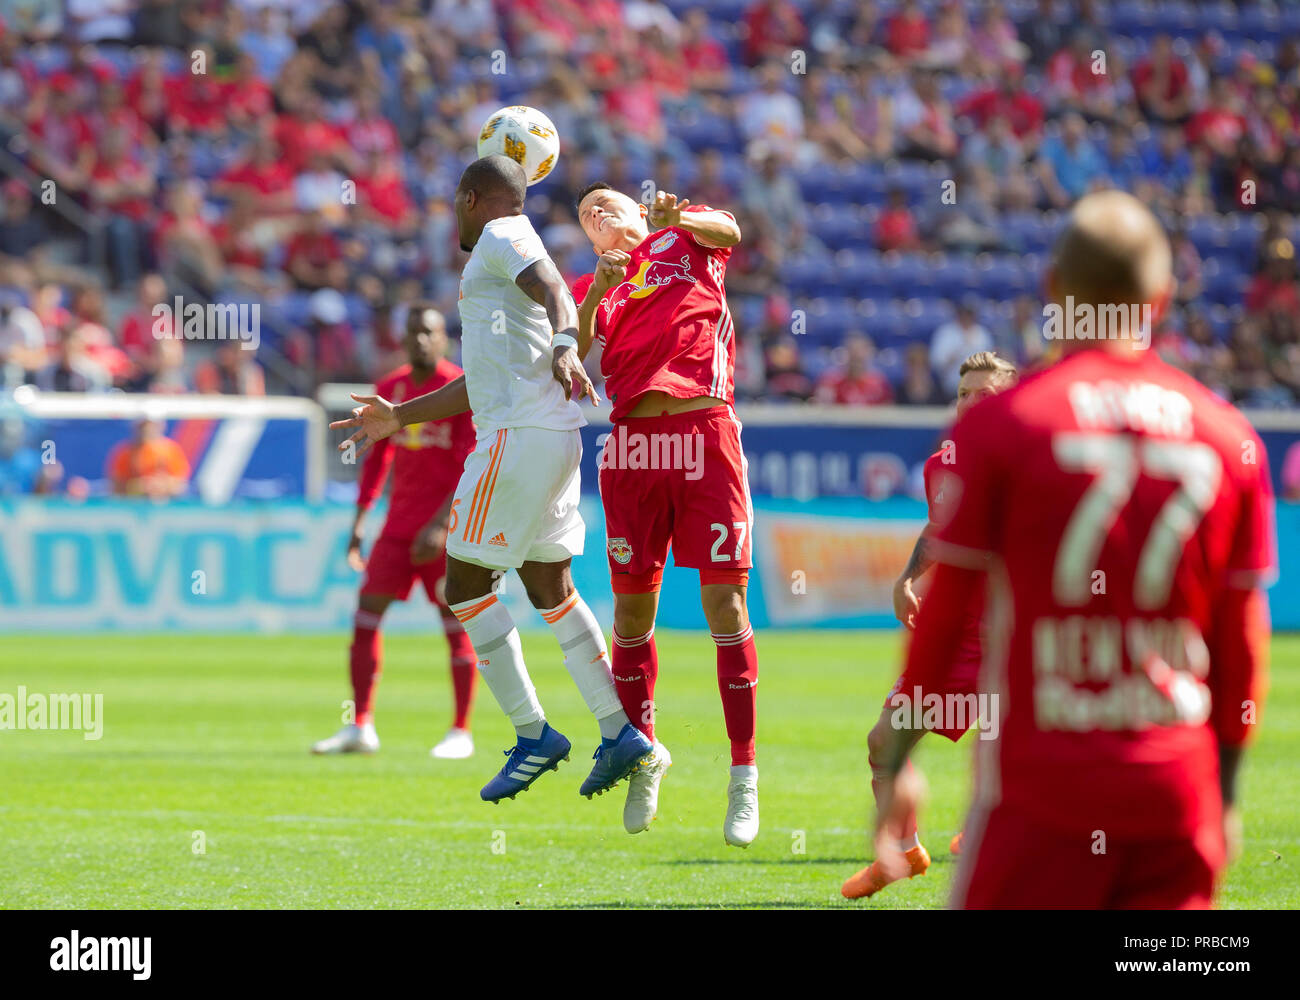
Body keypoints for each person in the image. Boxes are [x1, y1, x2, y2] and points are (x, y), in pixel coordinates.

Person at [857, 191, 1274, 909]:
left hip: (1042, 793)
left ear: (1055, 293)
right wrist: (1226, 796)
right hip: (1173, 794)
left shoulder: (1003, 429)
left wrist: (898, 764)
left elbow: (950, 603)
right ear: (1162, 297)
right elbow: (1240, 643)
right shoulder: (1227, 436)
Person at [332, 156, 652, 806]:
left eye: (455, 200)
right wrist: (399, 416)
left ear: (469, 197)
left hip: (517, 436)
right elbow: (479, 381)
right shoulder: (510, 252)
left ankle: (533, 734)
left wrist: (567, 340)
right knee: (549, 586)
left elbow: (556, 294)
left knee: (465, 587)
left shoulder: (503, 235)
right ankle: (620, 730)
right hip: (555, 434)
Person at [572, 181, 760, 846]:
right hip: (632, 449)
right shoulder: (599, 283)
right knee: (629, 614)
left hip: (703, 432)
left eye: (607, 202)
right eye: (587, 214)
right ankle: (645, 750)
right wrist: (598, 286)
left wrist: (679, 216)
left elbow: (730, 232)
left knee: (725, 607)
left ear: (633, 205)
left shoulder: (685, 236)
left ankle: (742, 775)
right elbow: (575, 349)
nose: (598, 213)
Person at [842, 350, 1018, 900]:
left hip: (1010, 637)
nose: (969, 404)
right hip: (954, 630)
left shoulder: (1033, 458)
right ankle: (906, 851)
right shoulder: (943, 460)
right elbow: (943, 529)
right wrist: (907, 578)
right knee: (885, 741)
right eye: (963, 394)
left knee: (1012, 757)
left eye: (983, 395)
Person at [311, 305, 479, 759]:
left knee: (456, 625)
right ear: (402, 339)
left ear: (445, 338)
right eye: (413, 333)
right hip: (398, 530)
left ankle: (460, 731)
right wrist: (359, 523)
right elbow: (375, 462)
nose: (421, 340)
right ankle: (360, 726)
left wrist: (443, 524)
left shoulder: (461, 388)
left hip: (447, 534)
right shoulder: (389, 390)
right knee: (365, 617)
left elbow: (472, 464)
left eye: (430, 332)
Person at [106, 415, 190, 499]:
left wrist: (160, 486)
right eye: (143, 426)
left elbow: (181, 485)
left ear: (161, 426)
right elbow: (115, 487)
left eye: (151, 426)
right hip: (134, 504)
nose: (147, 430)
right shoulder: (125, 452)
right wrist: (138, 487)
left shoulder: (170, 451)